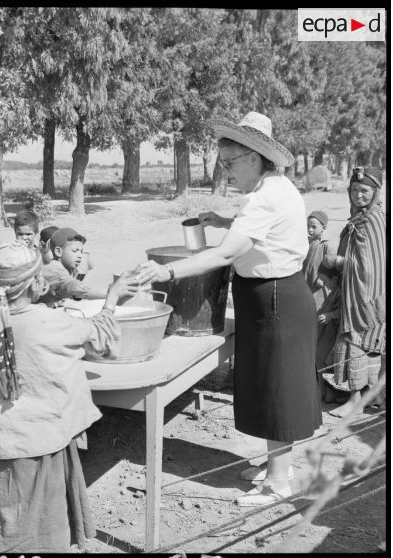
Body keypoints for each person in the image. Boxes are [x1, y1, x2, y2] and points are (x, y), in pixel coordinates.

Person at [136, 111, 322, 506]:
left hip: (275, 299)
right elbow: (254, 231)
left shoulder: (265, 197)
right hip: (272, 296)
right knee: (267, 382)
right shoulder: (273, 188)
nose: (226, 171)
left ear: (254, 157)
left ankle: (278, 482)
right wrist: (222, 219)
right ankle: (278, 463)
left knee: (277, 388)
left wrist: (165, 270)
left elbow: (221, 256)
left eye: (231, 163)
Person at [0, 242, 138, 552]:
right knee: (48, 518)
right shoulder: (49, 322)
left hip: (9, 439)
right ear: (34, 283)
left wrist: (0, 404)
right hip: (48, 437)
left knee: (14, 515)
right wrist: (112, 298)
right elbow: (102, 340)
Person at [325, 167, 386, 418]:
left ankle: (355, 400)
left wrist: (338, 262)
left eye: (364, 191)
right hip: (371, 296)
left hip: (366, 299)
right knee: (370, 346)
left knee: (355, 343)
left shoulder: (372, 220)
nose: (358, 195)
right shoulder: (361, 217)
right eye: (354, 190)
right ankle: (375, 397)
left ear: (375, 192)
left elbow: (370, 265)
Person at [40, 227, 108, 307]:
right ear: (58, 252)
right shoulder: (55, 268)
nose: (80, 256)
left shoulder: (68, 267)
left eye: (81, 251)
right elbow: (75, 288)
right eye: (75, 251)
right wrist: (110, 295)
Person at [314, 261, 343, 403]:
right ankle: (323, 392)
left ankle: (320, 393)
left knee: (317, 362)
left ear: (335, 279)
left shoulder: (342, 292)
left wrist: (330, 315)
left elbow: (343, 311)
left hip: (331, 336)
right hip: (324, 334)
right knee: (315, 362)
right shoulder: (334, 292)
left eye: (326, 281)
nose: (324, 285)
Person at [302, 210, 334, 310]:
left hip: (319, 288)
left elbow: (332, 268)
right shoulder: (305, 242)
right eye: (308, 226)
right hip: (305, 284)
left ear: (324, 228)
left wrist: (323, 280)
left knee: (318, 311)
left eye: (314, 227)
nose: (310, 230)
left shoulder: (326, 245)